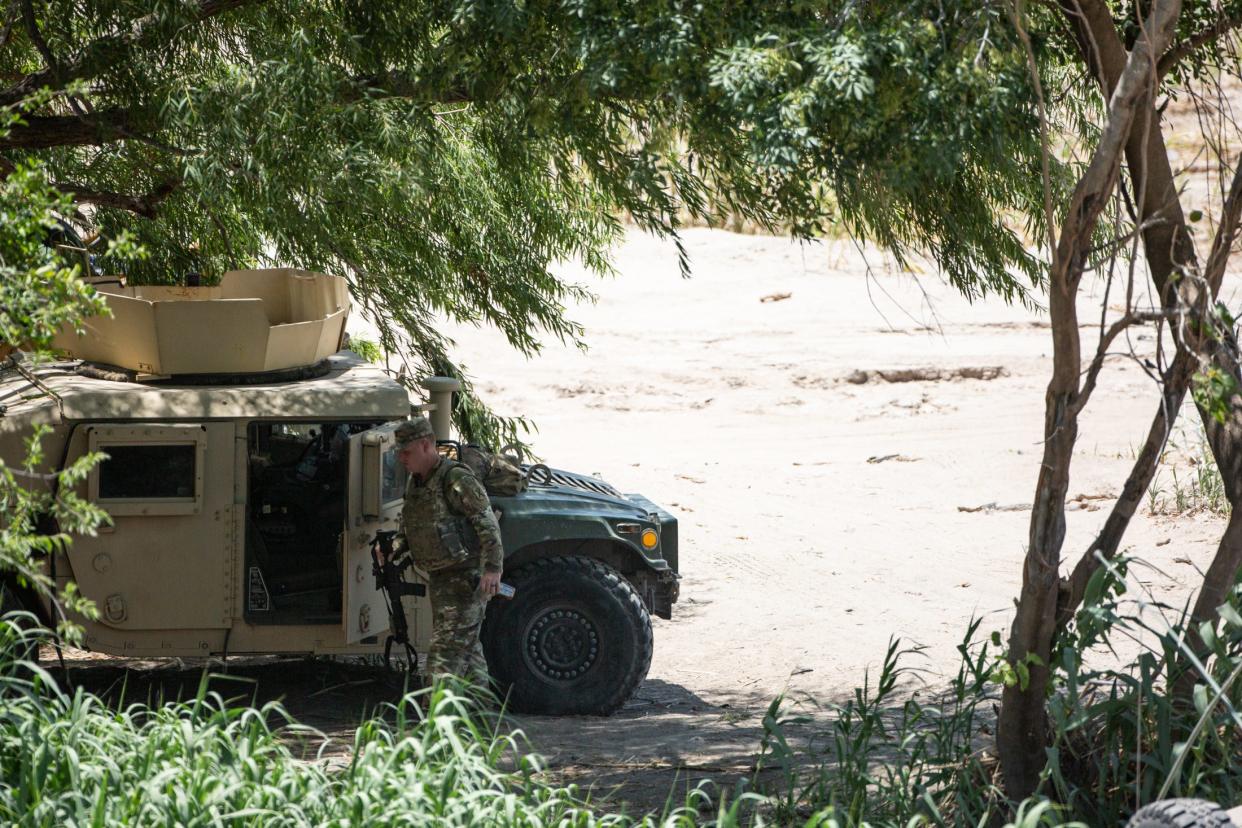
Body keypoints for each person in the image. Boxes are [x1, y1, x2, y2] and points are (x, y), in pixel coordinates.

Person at [392, 417, 503, 688]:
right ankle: (484, 719)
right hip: (441, 579)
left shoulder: (456, 479)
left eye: (407, 452)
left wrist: (492, 569)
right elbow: (409, 523)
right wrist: (396, 547)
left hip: (465, 580)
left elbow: (487, 523)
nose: (402, 459)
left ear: (426, 445)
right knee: (469, 655)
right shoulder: (416, 481)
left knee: (444, 657)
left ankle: (435, 722)